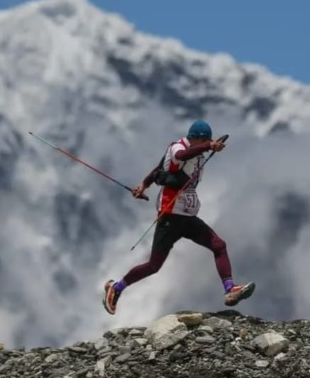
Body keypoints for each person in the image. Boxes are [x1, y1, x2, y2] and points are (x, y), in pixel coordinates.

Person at [102, 119, 255, 315]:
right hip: (170, 216)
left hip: (186, 216)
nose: (206, 147)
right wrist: (209, 146)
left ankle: (230, 290)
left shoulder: (198, 154)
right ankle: (116, 288)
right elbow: (180, 157)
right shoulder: (178, 147)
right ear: (197, 138)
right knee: (154, 266)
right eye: (205, 141)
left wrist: (143, 185)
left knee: (219, 245)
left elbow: (157, 171)